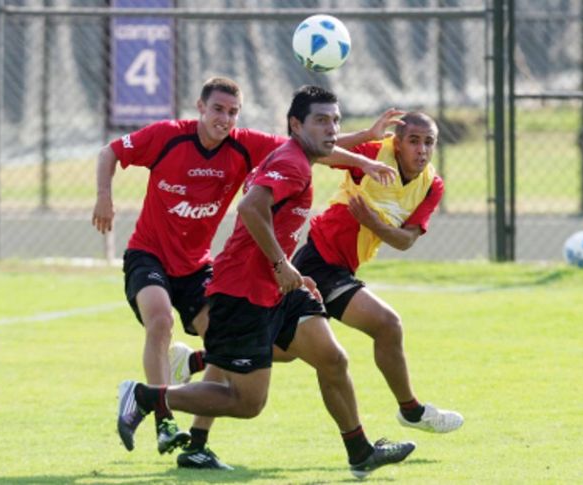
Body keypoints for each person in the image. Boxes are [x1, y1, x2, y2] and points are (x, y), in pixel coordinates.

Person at [116, 85, 416, 479]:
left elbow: (288, 198)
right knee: (247, 402)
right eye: (322, 120)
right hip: (242, 292)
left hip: (280, 290)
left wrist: (289, 269)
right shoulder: (291, 162)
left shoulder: (295, 156)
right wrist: (280, 263)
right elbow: (251, 206)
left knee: (332, 358)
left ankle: (360, 451)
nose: (331, 128)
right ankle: (145, 396)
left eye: (336, 120)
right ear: (296, 125)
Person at [291, 111, 464, 435]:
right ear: (397, 144)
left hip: (342, 269)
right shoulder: (374, 153)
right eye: (414, 141)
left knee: (278, 349)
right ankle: (411, 411)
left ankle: (196, 362)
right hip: (319, 261)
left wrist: (374, 223)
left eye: (429, 142)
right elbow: (315, 150)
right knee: (387, 324)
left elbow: (406, 240)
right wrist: (366, 134)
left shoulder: (431, 185)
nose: (422, 150)